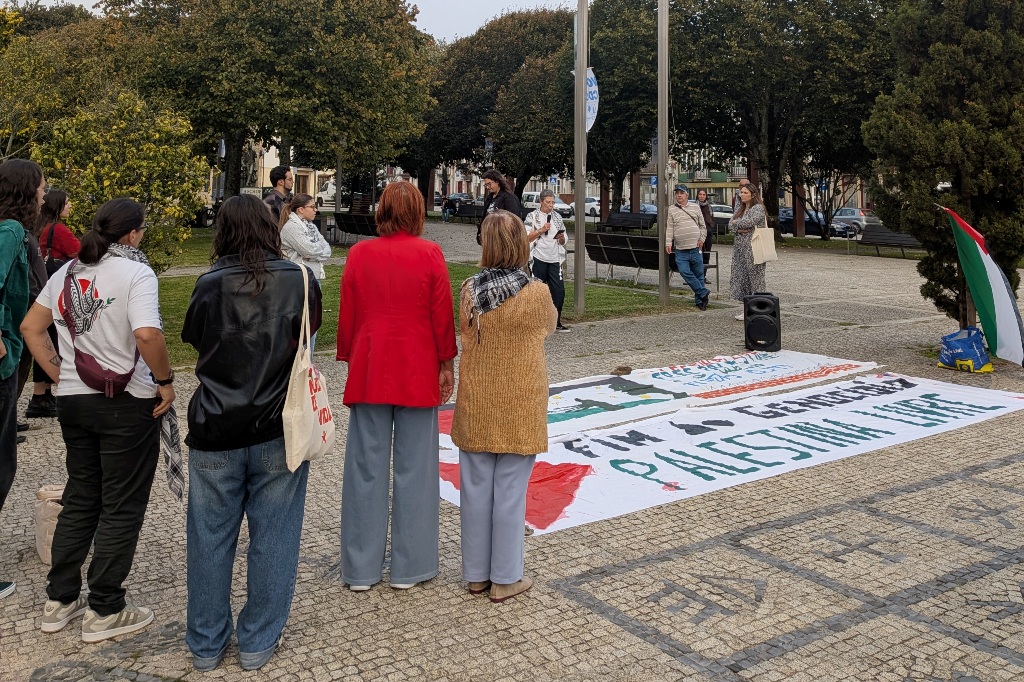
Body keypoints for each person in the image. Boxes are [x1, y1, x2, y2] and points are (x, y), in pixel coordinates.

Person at [21, 198, 174, 641]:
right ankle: (106, 606)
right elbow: (146, 333)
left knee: (83, 495)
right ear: (131, 234)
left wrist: (58, 371)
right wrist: (165, 381)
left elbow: (32, 327)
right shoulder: (136, 273)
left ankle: (61, 599)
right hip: (127, 401)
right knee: (121, 504)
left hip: (74, 400)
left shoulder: (67, 271)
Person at [181, 194, 321, 672]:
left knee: (210, 537)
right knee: (275, 534)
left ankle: (206, 642)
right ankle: (258, 638)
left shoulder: (210, 284)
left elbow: (198, 338)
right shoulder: (298, 280)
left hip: (219, 425)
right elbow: (307, 335)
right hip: (277, 423)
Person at [336, 181, 457, 592]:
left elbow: (348, 313)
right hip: (416, 365)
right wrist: (447, 363)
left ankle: (360, 569)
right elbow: (441, 314)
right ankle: (411, 566)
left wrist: (353, 356)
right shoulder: (429, 254)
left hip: (371, 364)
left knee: (364, 470)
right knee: (416, 469)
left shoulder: (359, 254)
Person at [451, 209, 556, 603]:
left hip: (477, 397)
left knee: (475, 488)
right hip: (520, 399)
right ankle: (506, 576)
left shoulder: (469, 290)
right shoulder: (537, 293)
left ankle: (477, 574)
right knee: (510, 490)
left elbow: (465, 333)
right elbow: (548, 325)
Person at [0, 159, 43, 600]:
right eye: (41, 186)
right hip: (1, 361)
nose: (44, 194)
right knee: (1, 463)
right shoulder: (11, 231)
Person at [25, 190, 80, 419]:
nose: (70, 206)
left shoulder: (40, 227)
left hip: (41, 288)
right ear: (58, 206)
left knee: (45, 337)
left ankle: (43, 393)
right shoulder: (58, 229)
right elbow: (80, 251)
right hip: (55, 291)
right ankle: (41, 395)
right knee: (52, 340)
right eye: (67, 202)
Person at [279, 193, 331, 353]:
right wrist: (313, 252)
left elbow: (327, 249)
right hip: (299, 279)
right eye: (312, 206)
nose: (316, 210)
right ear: (301, 209)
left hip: (314, 277)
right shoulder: (292, 227)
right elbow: (307, 249)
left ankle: (308, 361)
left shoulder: (311, 226)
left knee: (313, 322)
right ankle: (301, 362)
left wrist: (315, 253)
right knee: (303, 323)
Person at [523, 189, 570, 332]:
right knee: (537, 291)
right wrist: (541, 230)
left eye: (553, 202)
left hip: (554, 258)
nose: (551, 205)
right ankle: (536, 322)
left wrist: (562, 238)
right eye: (548, 202)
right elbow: (526, 238)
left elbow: (563, 239)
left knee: (558, 291)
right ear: (541, 202)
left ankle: (555, 321)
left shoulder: (557, 217)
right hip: (538, 258)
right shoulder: (532, 216)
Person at [665, 184, 710, 311]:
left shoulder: (695, 207)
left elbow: (703, 226)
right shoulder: (672, 209)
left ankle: (700, 301)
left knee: (699, 274)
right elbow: (670, 228)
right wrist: (668, 243)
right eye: (677, 193)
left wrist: (701, 239)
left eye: (681, 193)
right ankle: (703, 291)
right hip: (680, 248)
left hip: (695, 247)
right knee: (684, 271)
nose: (679, 195)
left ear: (687, 195)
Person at [728, 182, 768, 320]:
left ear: (753, 194)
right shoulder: (741, 208)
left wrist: (737, 224)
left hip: (753, 248)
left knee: (755, 279)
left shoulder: (758, 208)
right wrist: (738, 226)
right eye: (741, 192)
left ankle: (760, 308)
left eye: (745, 193)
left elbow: (749, 222)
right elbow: (730, 224)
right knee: (743, 279)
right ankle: (748, 309)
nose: (742, 195)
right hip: (740, 249)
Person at [477, 169, 521, 245]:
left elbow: (514, 219)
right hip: (489, 238)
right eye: (486, 185)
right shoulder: (489, 198)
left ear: (497, 181)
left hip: (503, 239)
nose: (487, 187)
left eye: (489, 184)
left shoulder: (508, 197)